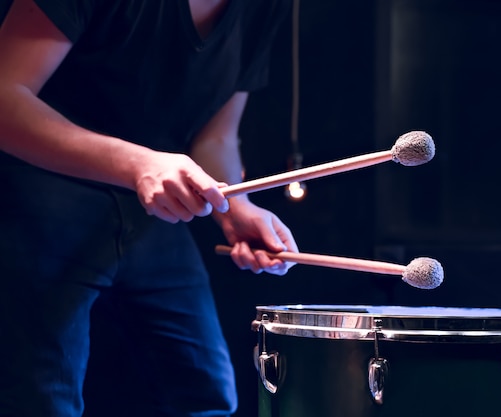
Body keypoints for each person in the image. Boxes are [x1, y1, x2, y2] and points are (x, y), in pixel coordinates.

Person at [0, 0, 297, 416]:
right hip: (37, 185)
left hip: (150, 210)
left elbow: (215, 138)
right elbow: (4, 98)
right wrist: (139, 165)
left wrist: (234, 207)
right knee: (43, 401)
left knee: (207, 398)